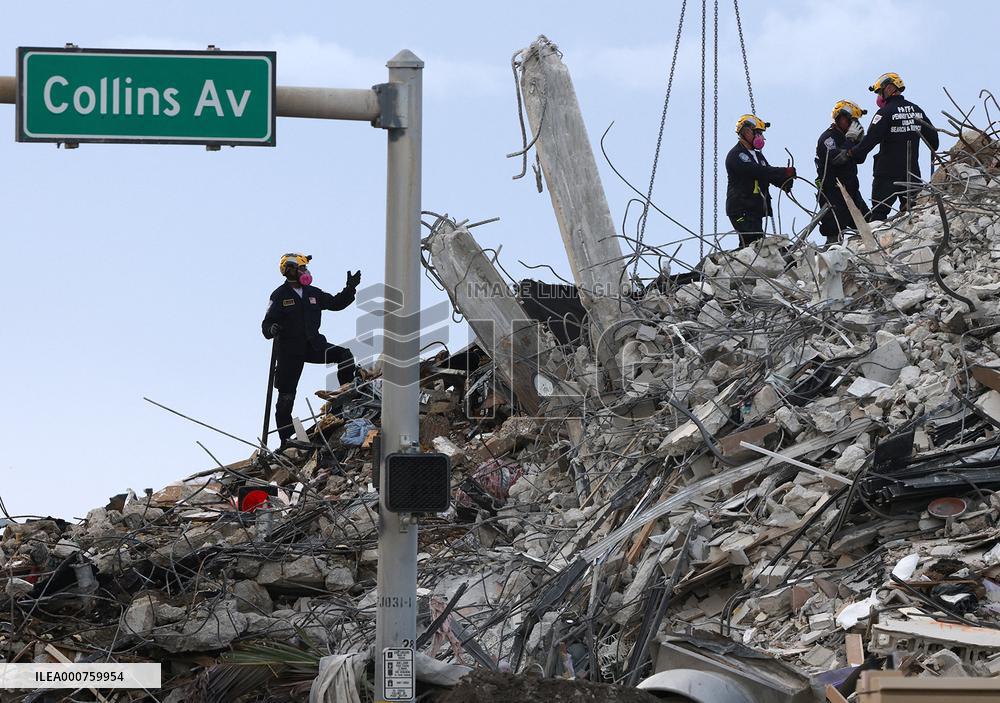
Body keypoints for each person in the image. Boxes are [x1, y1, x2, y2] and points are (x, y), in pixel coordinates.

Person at [262, 253, 361, 450]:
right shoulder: (279, 295)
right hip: (290, 352)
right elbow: (267, 323)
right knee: (286, 396)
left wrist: (350, 289)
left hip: (314, 345)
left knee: (344, 355)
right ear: (290, 270)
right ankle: (287, 439)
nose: (306, 272)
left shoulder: (312, 293)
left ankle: (342, 404)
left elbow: (336, 303)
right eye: (302, 269)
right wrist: (271, 329)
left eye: (306, 269)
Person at [847, 72, 939, 220]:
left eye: (880, 91)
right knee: (916, 213)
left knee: (878, 215)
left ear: (889, 88)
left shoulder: (884, 112)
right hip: (912, 173)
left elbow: (870, 140)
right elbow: (934, 139)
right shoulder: (917, 110)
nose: (880, 96)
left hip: (887, 174)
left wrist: (853, 153)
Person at [725, 114, 796, 247]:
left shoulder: (758, 157)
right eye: (758, 133)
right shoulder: (737, 155)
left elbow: (768, 175)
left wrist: (785, 181)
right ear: (746, 132)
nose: (762, 138)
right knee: (755, 241)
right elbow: (757, 171)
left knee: (752, 244)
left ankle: (744, 265)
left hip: (754, 209)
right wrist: (783, 172)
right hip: (741, 209)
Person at [815, 100, 870, 245]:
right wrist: (850, 140)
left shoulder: (848, 137)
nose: (853, 124)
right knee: (834, 232)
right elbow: (836, 159)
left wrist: (860, 141)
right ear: (839, 118)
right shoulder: (828, 138)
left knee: (869, 223)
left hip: (851, 191)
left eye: (855, 121)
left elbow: (860, 158)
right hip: (833, 194)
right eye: (850, 120)